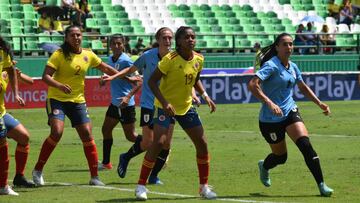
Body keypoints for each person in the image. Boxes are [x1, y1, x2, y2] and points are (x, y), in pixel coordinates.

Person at [134, 26, 217, 200]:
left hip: (186, 107)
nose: (191, 40)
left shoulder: (199, 59)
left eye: (193, 37)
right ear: (178, 41)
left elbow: (195, 79)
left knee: (202, 143)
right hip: (165, 107)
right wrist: (165, 103)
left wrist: (205, 96)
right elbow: (151, 81)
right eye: (187, 37)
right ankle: (141, 185)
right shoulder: (169, 59)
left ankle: (203, 187)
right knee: (159, 143)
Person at [31, 25, 120, 187]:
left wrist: (127, 77)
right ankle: (38, 170)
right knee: (57, 132)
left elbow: (106, 68)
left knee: (87, 133)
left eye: (79, 35)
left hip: (78, 101)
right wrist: (59, 86)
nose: (76, 38)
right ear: (66, 38)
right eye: (72, 35)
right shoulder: (58, 55)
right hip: (57, 99)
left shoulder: (88, 54)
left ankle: (94, 177)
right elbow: (45, 77)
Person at [247, 33, 334, 197]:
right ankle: (264, 167)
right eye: (285, 44)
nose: (289, 47)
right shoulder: (271, 65)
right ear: (277, 47)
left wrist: (319, 103)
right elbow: (252, 84)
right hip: (270, 120)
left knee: (306, 146)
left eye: (291, 44)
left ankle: (322, 185)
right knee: (281, 157)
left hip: (289, 112)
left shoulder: (293, 67)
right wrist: (270, 103)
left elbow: (303, 87)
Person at [102, 27, 176, 185]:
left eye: (170, 38)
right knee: (148, 143)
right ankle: (126, 157)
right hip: (149, 104)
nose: (168, 41)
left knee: (166, 144)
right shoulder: (148, 56)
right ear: (158, 39)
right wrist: (112, 77)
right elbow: (131, 70)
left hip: (168, 105)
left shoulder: (176, 57)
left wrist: (195, 94)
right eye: (164, 38)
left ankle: (154, 176)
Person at [97, 34, 142, 171]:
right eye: (114, 44)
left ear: (123, 45)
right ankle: (106, 163)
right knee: (106, 129)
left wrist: (128, 97)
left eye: (119, 44)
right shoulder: (109, 60)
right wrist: (102, 81)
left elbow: (139, 82)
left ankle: (155, 146)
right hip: (114, 104)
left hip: (125, 104)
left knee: (131, 136)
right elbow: (110, 79)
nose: (116, 46)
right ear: (109, 46)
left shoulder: (126, 61)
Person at [0, 36, 35, 196]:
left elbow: (11, 71)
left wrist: (15, 94)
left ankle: (19, 177)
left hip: (2, 111)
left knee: (24, 137)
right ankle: (2, 186)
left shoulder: (3, 52)